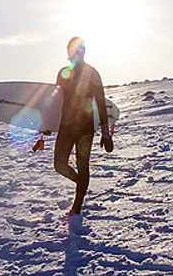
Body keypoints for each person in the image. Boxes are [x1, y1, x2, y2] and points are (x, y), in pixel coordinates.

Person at [54, 37, 113, 217]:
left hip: (85, 128)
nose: (71, 52)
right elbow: (56, 102)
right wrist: (46, 125)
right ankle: (82, 183)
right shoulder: (63, 73)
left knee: (83, 165)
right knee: (59, 165)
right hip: (65, 125)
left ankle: (76, 207)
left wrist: (106, 133)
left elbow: (101, 103)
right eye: (69, 49)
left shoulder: (92, 73)